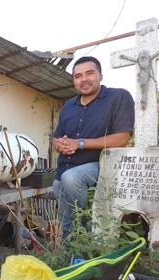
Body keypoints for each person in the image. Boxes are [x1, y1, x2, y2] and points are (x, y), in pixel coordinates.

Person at [52, 56, 134, 236]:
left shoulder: (118, 96)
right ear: (74, 80)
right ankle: (70, 253)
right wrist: (61, 145)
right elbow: (56, 138)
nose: (84, 79)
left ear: (101, 75)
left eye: (90, 73)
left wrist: (79, 143)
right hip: (65, 167)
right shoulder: (68, 106)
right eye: (78, 76)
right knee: (62, 207)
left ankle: (85, 231)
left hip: (101, 165)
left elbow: (122, 138)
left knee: (71, 179)